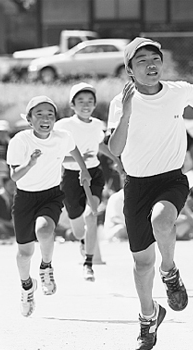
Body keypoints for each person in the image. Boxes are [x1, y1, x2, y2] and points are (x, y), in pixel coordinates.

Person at [107, 37, 193, 350]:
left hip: (171, 179)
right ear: (129, 70)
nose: (151, 64)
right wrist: (127, 111)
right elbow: (115, 149)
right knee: (142, 264)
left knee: (162, 220)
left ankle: (169, 272)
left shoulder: (176, 92)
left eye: (154, 58)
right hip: (137, 186)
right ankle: (148, 317)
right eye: (141, 61)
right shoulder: (119, 103)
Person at [6, 95, 91, 317]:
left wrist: (83, 169)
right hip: (24, 198)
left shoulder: (62, 137)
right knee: (24, 253)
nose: (46, 119)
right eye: (40, 115)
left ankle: (46, 267)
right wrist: (30, 163)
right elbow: (14, 176)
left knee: (44, 229)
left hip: (50, 195)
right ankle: (27, 286)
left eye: (50, 114)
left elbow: (73, 150)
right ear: (30, 120)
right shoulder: (20, 141)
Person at [56, 82, 124, 282]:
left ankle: (89, 263)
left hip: (94, 174)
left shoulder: (97, 125)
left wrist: (116, 160)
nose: (86, 105)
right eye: (81, 101)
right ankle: (83, 241)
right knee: (77, 230)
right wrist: (78, 161)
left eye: (90, 101)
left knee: (92, 215)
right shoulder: (63, 126)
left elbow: (99, 145)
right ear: (72, 104)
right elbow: (56, 155)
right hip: (70, 177)